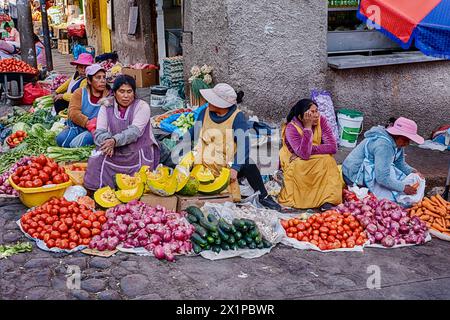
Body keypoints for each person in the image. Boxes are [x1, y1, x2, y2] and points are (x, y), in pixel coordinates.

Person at [183, 83, 281, 211]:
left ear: (221, 104)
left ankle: (263, 196)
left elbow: (244, 143)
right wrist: (181, 145)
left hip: (226, 163)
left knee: (248, 163)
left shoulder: (237, 117)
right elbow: (193, 131)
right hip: (204, 161)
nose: (208, 102)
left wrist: (235, 167)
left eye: (212, 100)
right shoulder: (204, 112)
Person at [83, 75, 160, 190]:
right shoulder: (106, 106)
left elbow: (134, 132)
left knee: (140, 181)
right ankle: (97, 191)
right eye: (121, 91)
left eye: (129, 91)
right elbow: (100, 131)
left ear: (134, 93)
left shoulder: (142, 107)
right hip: (113, 150)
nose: (125, 96)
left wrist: (114, 141)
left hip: (137, 150)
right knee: (95, 160)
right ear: (114, 93)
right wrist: (107, 142)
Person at [278, 99, 342, 211]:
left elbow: (332, 147)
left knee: (328, 160)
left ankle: (327, 200)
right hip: (294, 160)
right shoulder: (291, 128)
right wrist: (307, 128)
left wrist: (310, 148)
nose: (316, 115)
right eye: (311, 113)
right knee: (300, 164)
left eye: (317, 111)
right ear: (301, 117)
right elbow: (304, 154)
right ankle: (303, 200)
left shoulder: (321, 120)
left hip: (309, 155)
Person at [342, 117, 425, 202]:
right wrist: (403, 188)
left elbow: (399, 163)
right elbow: (382, 178)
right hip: (353, 175)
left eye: (409, 140)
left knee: (394, 177)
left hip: (372, 172)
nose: (407, 143)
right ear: (396, 135)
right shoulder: (384, 146)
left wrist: (413, 172)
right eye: (405, 140)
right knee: (390, 197)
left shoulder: (397, 143)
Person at [56, 64, 111, 148]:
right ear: (89, 80)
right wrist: (87, 123)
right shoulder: (80, 92)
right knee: (61, 140)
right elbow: (73, 112)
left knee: (76, 144)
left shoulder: (109, 95)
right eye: (98, 77)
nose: (103, 80)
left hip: (97, 129)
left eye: (104, 77)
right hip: (79, 126)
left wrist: (96, 124)